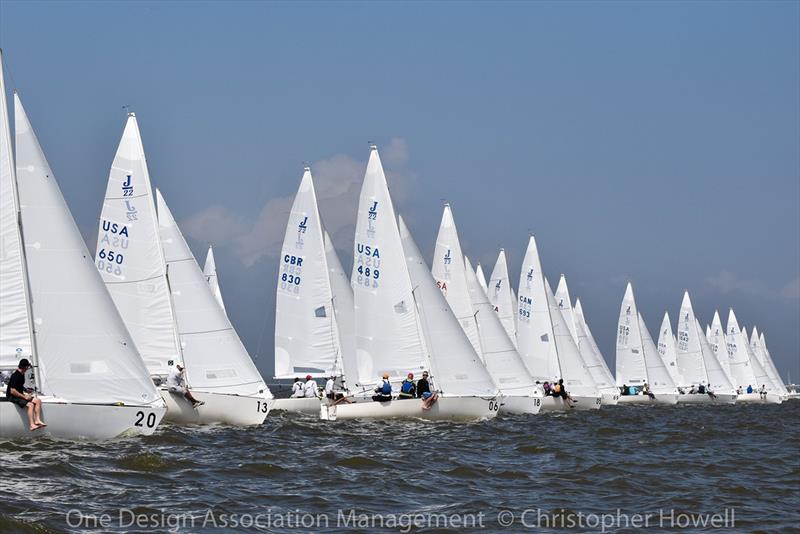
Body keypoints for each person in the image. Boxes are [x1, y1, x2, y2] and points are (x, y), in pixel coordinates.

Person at [6, 359, 46, 431]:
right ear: (25, 367)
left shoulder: (22, 374)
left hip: (19, 394)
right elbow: (12, 391)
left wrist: (26, 390)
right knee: (30, 405)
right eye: (27, 367)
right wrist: (25, 397)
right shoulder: (15, 376)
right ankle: (32, 425)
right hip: (12, 397)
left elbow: (19, 386)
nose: (28, 368)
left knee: (38, 401)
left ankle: (37, 420)